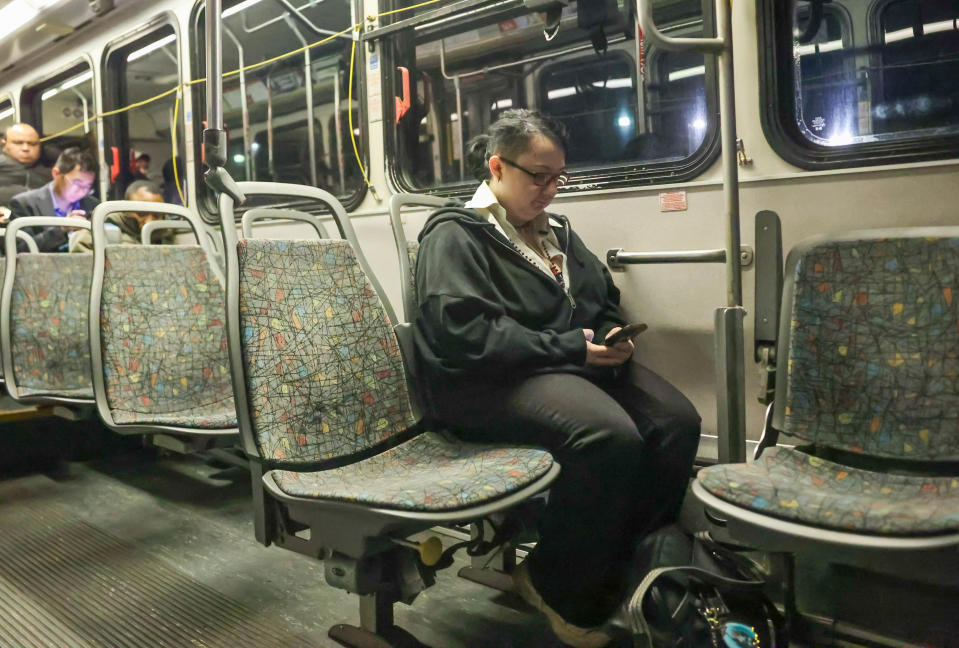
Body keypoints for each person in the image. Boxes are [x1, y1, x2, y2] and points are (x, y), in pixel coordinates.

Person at [412, 109, 701, 648]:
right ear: (497, 167)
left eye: (557, 178)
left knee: (678, 423)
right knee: (607, 436)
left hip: (562, 364)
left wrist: (614, 334)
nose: (550, 190)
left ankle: (619, 566)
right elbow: (464, 338)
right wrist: (574, 349)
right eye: (537, 177)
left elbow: (600, 297)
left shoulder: (559, 232)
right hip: (486, 383)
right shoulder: (456, 236)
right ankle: (556, 585)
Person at [9, 148, 99, 252]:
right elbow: (19, 249)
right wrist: (62, 229)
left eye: (87, 187)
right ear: (56, 173)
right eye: (77, 183)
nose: (82, 191)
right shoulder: (24, 204)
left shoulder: (93, 205)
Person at [69, 180, 174, 253]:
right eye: (141, 213)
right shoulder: (97, 234)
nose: (149, 221)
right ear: (125, 210)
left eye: (156, 215)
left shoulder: (172, 235)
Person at [0, 123, 51, 209]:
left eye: (32, 144)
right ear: (4, 144)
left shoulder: (52, 174)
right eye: (18, 143)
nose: (25, 148)